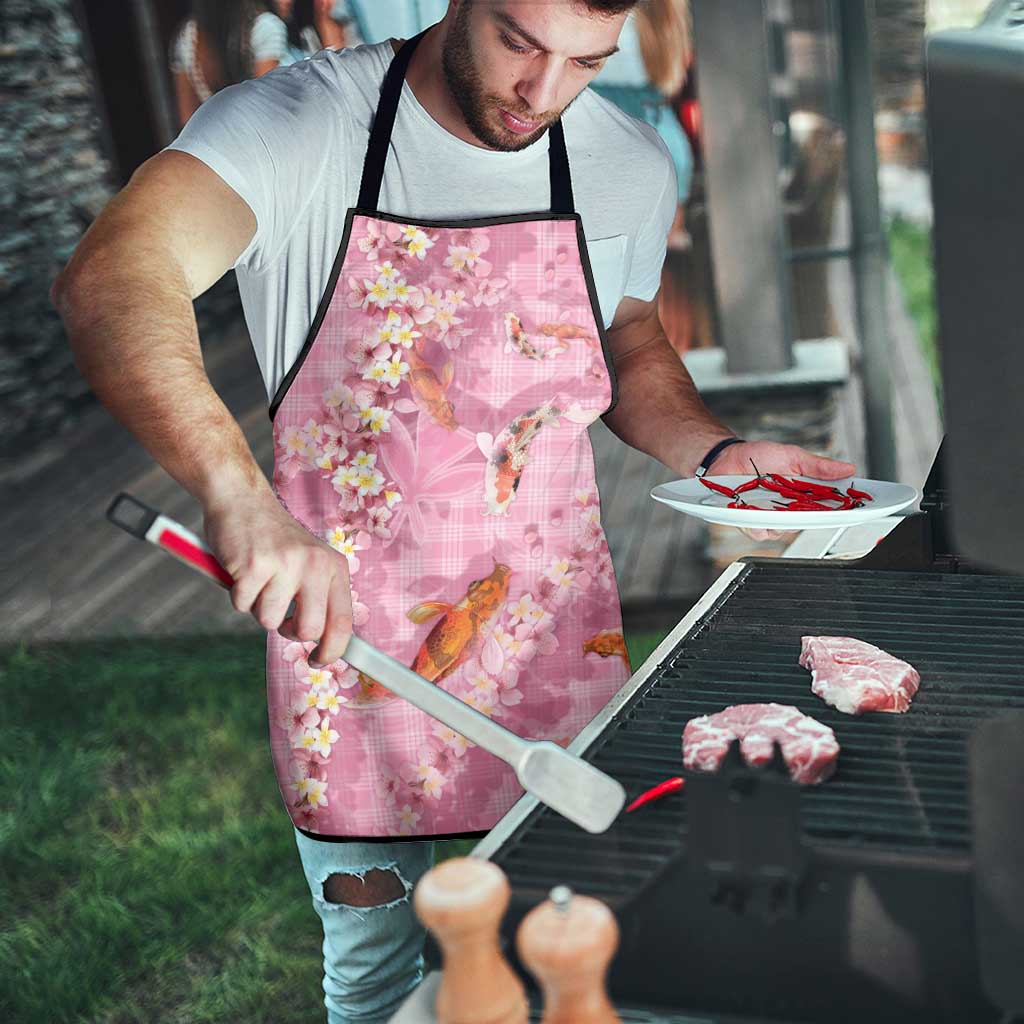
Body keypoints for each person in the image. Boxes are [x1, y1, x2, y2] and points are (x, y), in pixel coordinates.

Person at [53, 2, 856, 1020]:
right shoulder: (299, 125)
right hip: (351, 656)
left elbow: (630, 337)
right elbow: (113, 275)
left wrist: (718, 449)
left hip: (553, 641)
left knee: (574, 953)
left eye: (585, 62)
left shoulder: (623, 160)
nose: (543, 93)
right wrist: (236, 496)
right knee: (380, 979)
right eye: (520, 43)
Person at [169, 0, 288, 127]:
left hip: (215, 140)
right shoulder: (266, 27)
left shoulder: (188, 37)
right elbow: (266, 107)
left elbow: (187, 120)